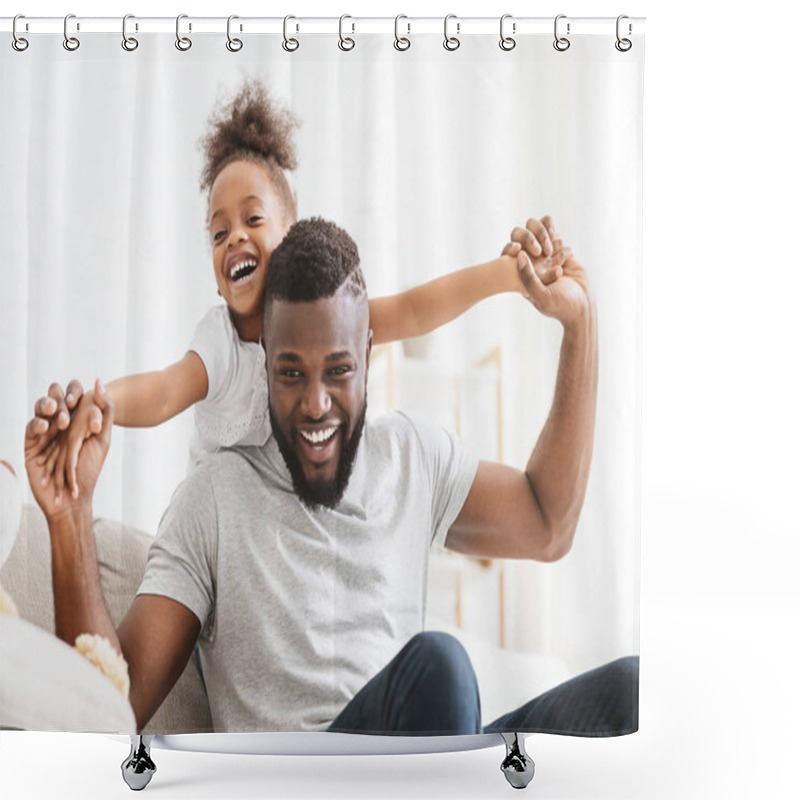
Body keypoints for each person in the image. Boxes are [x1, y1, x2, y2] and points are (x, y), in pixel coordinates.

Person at [25, 215, 637, 737]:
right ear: (263, 359)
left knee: (629, 691)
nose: (315, 403)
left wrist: (580, 328)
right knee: (441, 669)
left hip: (425, 753)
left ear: (368, 353)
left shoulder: (411, 455)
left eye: (338, 371)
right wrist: (69, 514)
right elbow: (112, 705)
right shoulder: (213, 499)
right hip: (313, 779)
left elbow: (548, 525)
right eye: (291, 373)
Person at [35, 80, 564, 503]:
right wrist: (99, 405)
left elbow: (410, 309)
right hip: (219, 534)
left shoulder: (321, 320)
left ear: (290, 236)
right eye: (219, 233)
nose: (234, 236)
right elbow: (165, 389)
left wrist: (503, 275)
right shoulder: (221, 343)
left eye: (253, 219)